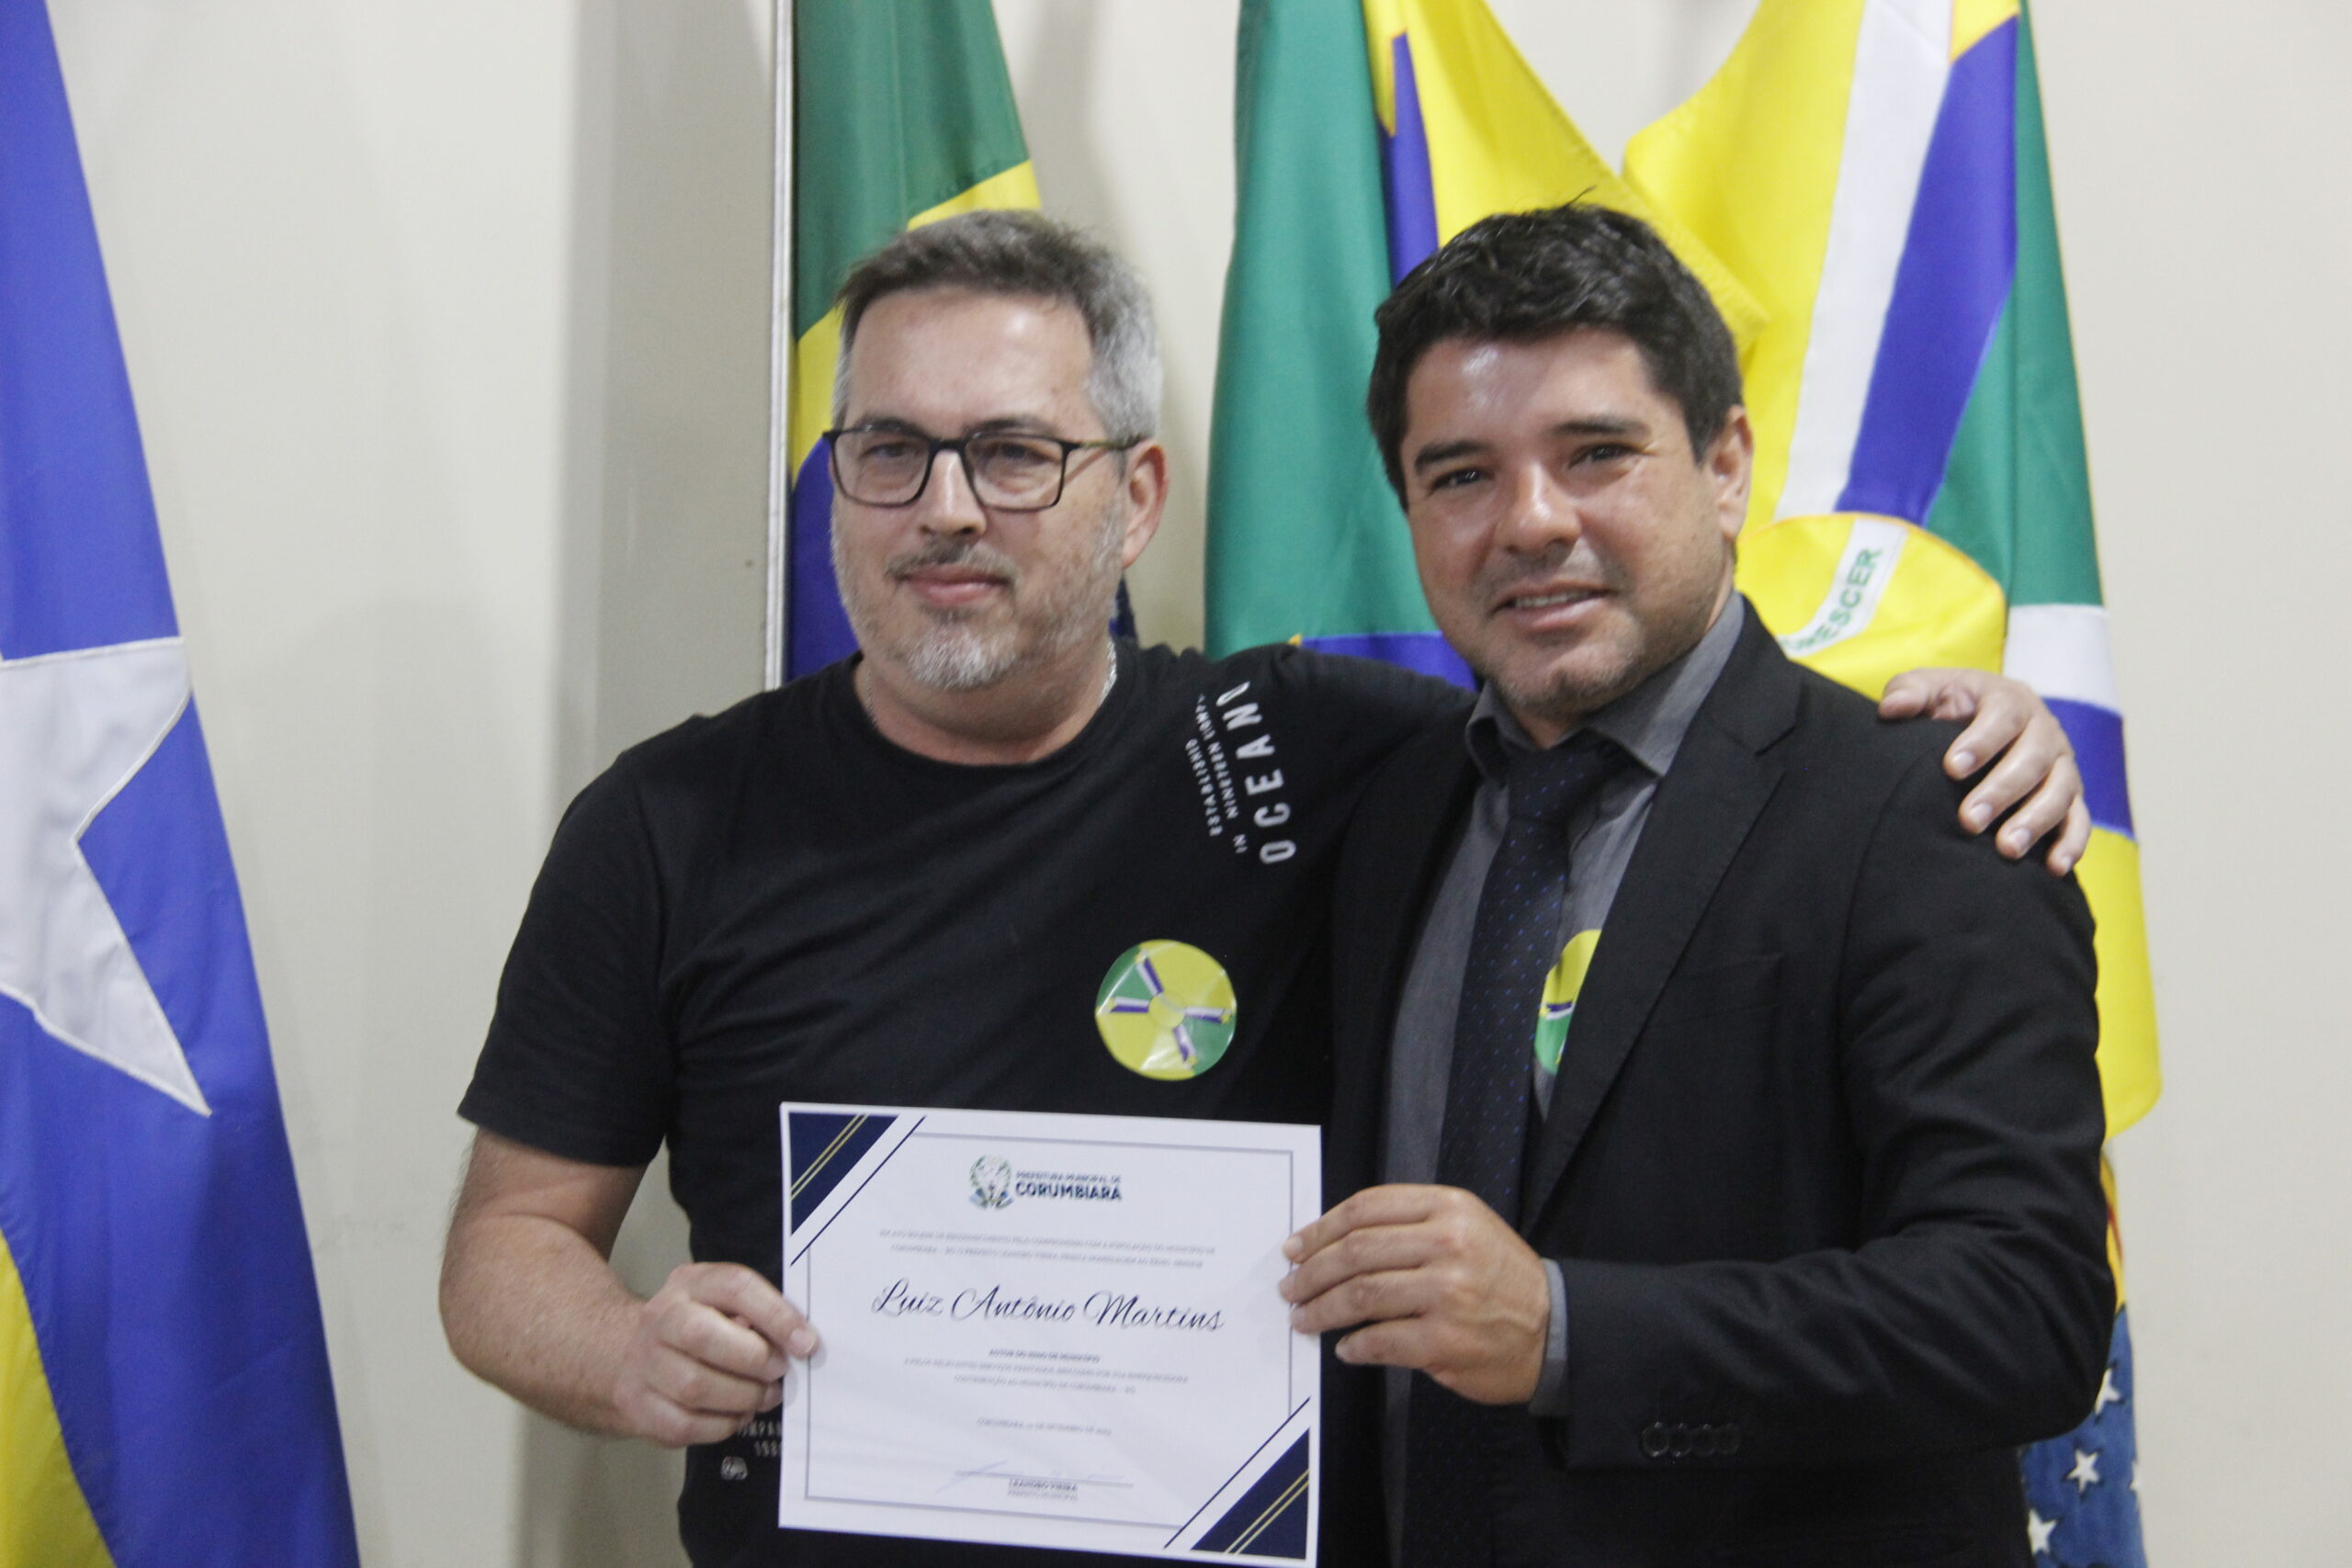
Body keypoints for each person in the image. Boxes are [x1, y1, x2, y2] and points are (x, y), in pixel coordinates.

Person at [438, 210, 2087, 1567]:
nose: (946, 509)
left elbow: (2022, 1296)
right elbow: (507, 1248)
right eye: (891, 451)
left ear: (1135, 498)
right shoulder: (667, 822)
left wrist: (1990, 728)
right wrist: (627, 1352)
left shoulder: (1323, 755)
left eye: (1015, 453)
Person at [1281, 204, 2111, 1568]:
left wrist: (1567, 1333)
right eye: (1462, 475)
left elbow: (2020, 1311)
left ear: (1726, 467)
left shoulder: (1932, 810)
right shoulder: (1384, 807)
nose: (1531, 522)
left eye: (1596, 454)